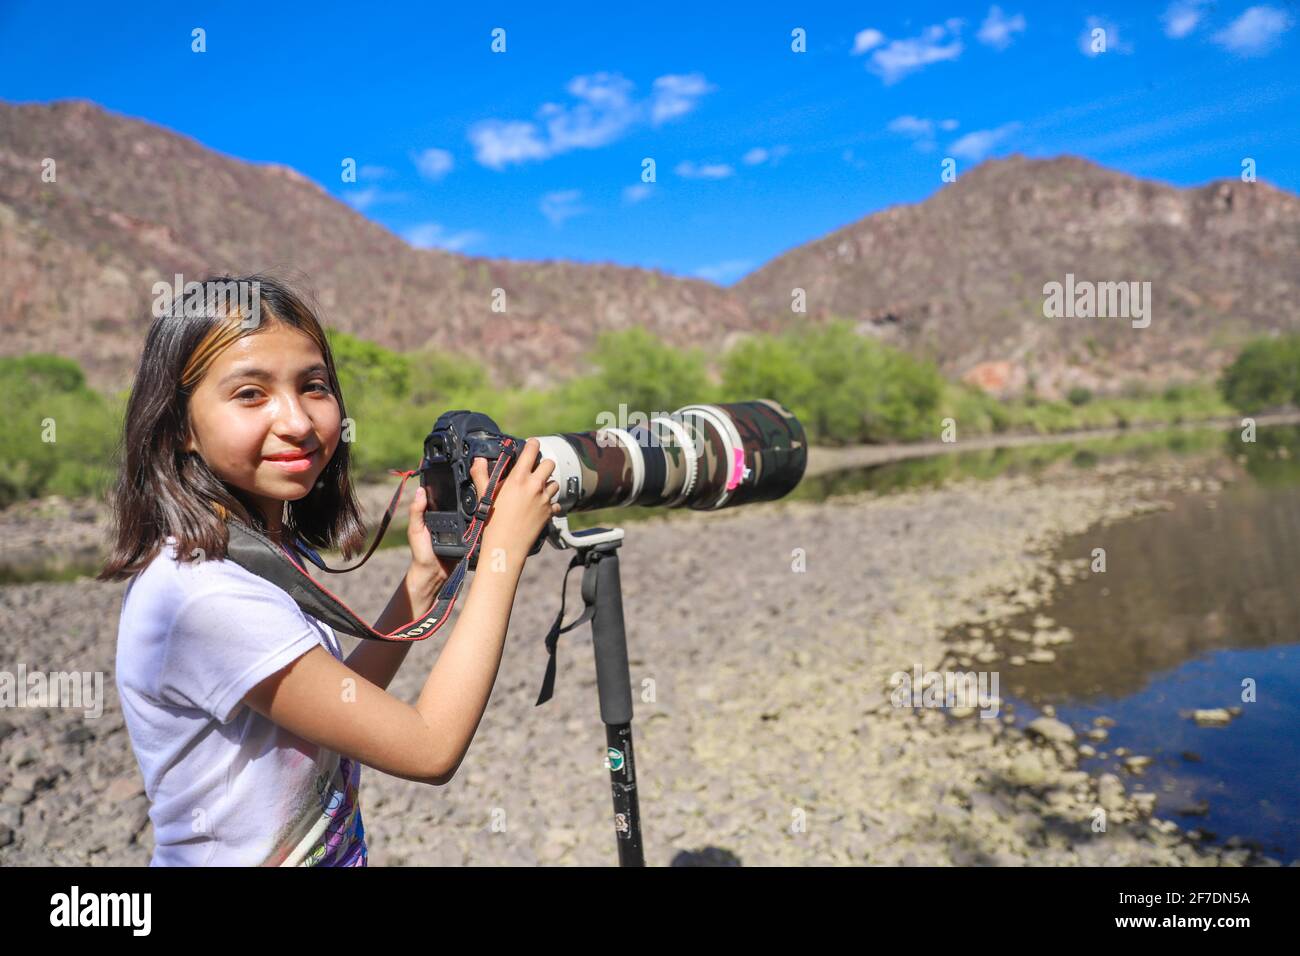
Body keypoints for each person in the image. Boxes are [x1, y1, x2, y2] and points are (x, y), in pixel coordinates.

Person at [99, 273, 559, 865]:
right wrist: (502, 552)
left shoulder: (260, 547)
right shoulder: (203, 593)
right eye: (250, 394)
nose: (295, 420)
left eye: (313, 387)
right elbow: (430, 749)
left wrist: (423, 584)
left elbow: (333, 708)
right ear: (180, 426)